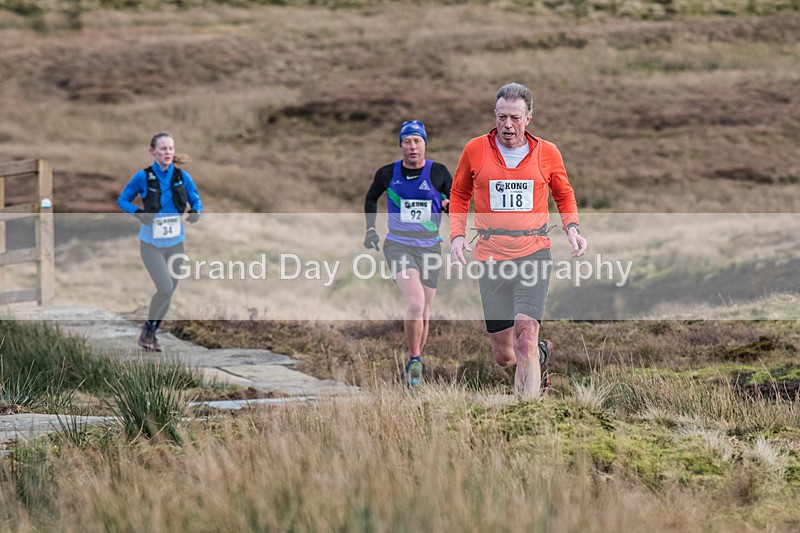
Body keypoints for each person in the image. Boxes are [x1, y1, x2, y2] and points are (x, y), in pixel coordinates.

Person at [449, 83, 588, 399]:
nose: (507, 125)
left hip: (533, 253)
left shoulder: (547, 152)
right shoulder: (475, 149)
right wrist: (457, 236)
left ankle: (527, 411)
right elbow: (459, 193)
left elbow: (564, 193)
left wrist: (572, 229)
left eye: (514, 118)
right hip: (490, 256)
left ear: (528, 118)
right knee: (505, 355)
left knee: (525, 339)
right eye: (502, 117)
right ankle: (541, 355)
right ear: (495, 115)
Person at [364, 120, 453, 387]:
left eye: (417, 141)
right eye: (407, 141)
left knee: (425, 310)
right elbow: (371, 197)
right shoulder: (387, 173)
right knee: (415, 303)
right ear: (401, 145)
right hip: (399, 245)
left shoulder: (438, 172)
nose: (412, 146)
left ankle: (416, 363)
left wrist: (449, 206)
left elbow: (457, 203)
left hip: (430, 246)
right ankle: (414, 360)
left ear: (425, 144)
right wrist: (371, 229)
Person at [117, 132, 203, 352]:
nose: (168, 152)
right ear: (152, 151)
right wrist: (139, 213)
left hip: (176, 244)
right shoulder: (143, 177)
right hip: (151, 244)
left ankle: (150, 334)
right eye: (163, 148)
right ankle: (148, 330)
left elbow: (195, 198)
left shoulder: (182, 176)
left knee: (170, 291)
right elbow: (123, 200)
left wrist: (196, 211)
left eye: (171, 148)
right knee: (164, 288)